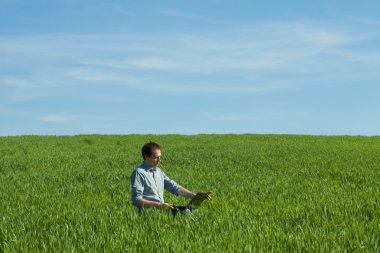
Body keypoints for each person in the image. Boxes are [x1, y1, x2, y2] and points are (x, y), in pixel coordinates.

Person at [131, 141, 212, 215]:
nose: (159, 160)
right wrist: (158, 205)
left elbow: (174, 187)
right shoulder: (139, 173)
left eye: (160, 157)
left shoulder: (158, 172)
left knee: (192, 212)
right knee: (187, 214)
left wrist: (196, 196)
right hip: (148, 215)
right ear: (146, 157)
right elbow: (136, 199)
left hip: (162, 212)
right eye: (156, 157)